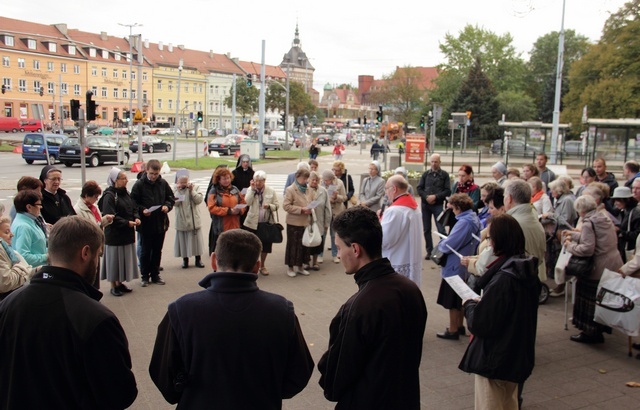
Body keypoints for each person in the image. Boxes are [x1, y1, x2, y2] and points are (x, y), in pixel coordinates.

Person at [149, 229, 314, 408]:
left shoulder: (182, 309)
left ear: (213, 260)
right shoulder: (281, 309)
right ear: (257, 267)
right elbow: (300, 371)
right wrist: (269, 390)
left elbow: (162, 373)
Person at [0, 216, 138, 409]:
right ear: (85, 253)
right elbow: (119, 393)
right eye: (98, 255)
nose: (97, 264)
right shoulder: (95, 318)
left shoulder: (8, 306)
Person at [318, 207, 427, 409]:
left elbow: (335, 377)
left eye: (339, 248)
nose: (339, 255)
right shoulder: (410, 289)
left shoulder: (358, 307)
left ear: (356, 249)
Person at [459, 214, 540, 410]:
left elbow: (480, 323)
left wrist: (469, 304)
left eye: (490, 238)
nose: (488, 244)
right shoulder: (524, 267)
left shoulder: (505, 278)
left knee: (491, 403)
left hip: (496, 358)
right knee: (508, 402)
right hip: (516, 352)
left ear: (498, 241)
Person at [563, 195, 623, 344]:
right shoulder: (602, 217)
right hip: (612, 262)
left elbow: (587, 248)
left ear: (580, 211)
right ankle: (600, 327)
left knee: (588, 298)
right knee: (601, 298)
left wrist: (569, 246)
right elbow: (592, 238)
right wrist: (574, 235)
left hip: (597, 266)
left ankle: (590, 332)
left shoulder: (589, 222)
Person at [435, 193, 481, 340]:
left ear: (459, 208)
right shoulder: (472, 217)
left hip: (455, 265)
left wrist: (441, 244)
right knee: (460, 297)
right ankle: (460, 326)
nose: (452, 212)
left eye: (453, 209)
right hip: (463, 264)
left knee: (453, 300)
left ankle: (453, 329)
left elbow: (451, 243)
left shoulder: (463, 222)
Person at [131, 159, 175, 287]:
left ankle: (155, 274)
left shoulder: (163, 183)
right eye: (151, 174)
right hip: (145, 224)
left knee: (157, 250)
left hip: (160, 222)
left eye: (156, 174)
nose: (154, 176)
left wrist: (167, 206)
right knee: (145, 251)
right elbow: (133, 202)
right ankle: (145, 276)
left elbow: (170, 198)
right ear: (146, 171)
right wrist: (142, 210)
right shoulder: (139, 185)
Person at [101, 168, 140, 296]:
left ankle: (120, 283)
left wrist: (136, 217)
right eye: (123, 178)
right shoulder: (109, 195)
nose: (126, 180)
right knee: (114, 260)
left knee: (123, 259)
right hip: (115, 234)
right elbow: (109, 215)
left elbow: (133, 207)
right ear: (115, 180)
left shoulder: (125, 193)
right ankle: (113, 285)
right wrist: (126, 223)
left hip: (126, 233)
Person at [380, 175, 423, 286]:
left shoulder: (394, 211)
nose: (386, 193)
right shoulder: (415, 208)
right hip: (410, 259)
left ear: (394, 189)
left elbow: (384, 240)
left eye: (386, 188)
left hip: (396, 260)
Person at [504, 179, 547, 282]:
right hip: (532, 279)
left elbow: (494, 259)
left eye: (504, 196)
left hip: (514, 281)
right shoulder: (534, 219)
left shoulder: (510, 223)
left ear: (509, 198)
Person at [75, 180, 114, 289]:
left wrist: (106, 219)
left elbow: (98, 223)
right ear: (87, 196)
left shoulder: (93, 206)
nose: (97, 199)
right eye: (95, 196)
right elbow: (85, 229)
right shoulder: (79, 210)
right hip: (88, 246)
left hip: (96, 245)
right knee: (89, 274)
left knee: (95, 273)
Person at [243, 170, 280, 276]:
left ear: (264, 180)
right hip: (252, 223)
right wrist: (252, 190)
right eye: (256, 181)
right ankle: (251, 266)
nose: (257, 183)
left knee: (265, 246)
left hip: (266, 222)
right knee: (251, 246)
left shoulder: (271, 191)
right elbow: (247, 202)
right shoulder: (251, 189)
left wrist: (269, 206)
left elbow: (277, 205)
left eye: (259, 181)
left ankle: (262, 265)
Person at [417, 153, 451, 259]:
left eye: (436, 162)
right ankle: (429, 251)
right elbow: (419, 188)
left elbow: (447, 191)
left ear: (440, 162)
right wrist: (427, 197)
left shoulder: (444, 175)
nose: (434, 164)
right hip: (426, 205)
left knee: (441, 229)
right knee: (426, 229)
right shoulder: (426, 174)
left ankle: (443, 251)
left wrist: (435, 197)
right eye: (432, 161)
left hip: (438, 205)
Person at [207, 166, 246, 255]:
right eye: (224, 179)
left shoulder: (235, 189)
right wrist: (229, 211)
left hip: (235, 224)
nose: (227, 181)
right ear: (219, 180)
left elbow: (243, 202)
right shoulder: (214, 191)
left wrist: (240, 210)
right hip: (221, 226)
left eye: (228, 178)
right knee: (224, 250)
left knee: (235, 249)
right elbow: (211, 207)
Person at [283, 168, 313, 277]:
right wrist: (301, 209)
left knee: (303, 245)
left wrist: (311, 208)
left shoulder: (308, 189)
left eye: (307, 178)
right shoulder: (291, 189)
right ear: (297, 177)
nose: (305, 181)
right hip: (293, 222)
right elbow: (286, 206)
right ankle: (290, 267)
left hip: (305, 221)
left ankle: (300, 266)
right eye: (304, 178)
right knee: (293, 245)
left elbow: (311, 201)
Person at [173, 170, 205, 269]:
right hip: (182, 219)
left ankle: (198, 259)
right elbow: (175, 203)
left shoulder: (195, 187)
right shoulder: (175, 189)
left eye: (185, 182)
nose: (183, 184)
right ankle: (185, 260)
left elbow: (199, 200)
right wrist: (178, 191)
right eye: (181, 182)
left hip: (194, 218)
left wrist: (192, 191)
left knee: (196, 241)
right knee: (183, 241)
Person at [11, 190, 48, 268]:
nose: (41, 207)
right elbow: (23, 256)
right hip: (33, 273)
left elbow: (39, 247)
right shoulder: (24, 227)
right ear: (29, 207)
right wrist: (46, 257)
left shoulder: (30, 221)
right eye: (39, 204)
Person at [0, 216, 33, 301]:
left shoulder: (13, 252)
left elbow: (28, 270)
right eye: (6, 232)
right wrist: (20, 269)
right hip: (9, 300)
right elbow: (6, 282)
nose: (12, 235)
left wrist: (36, 271)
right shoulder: (2, 250)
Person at [307, 170, 331, 269]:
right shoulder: (305, 189)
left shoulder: (323, 191)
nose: (314, 182)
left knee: (318, 241)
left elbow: (327, 208)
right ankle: (306, 261)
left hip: (319, 221)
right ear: (308, 180)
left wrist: (327, 223)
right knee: (307, 241)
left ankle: (315, 262)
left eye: (317, 180)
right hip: (307, 220)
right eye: (313, 180)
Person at [322, 169, 347, 264]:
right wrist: (328, 199)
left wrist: (337, 197)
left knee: (334, 235)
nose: (325, 182)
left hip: (336, 212)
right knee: (323, 234)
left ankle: (335, 254)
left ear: (332, 179)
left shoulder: (339, 183)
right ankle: (320, 254)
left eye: (327, 180)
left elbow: (344, 197)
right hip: (325, 212)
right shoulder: (321, 184)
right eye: (324, 180)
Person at [611, 186, 640, 263]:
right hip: (624, 248)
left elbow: (636, 235)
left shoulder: (636, 213)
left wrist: (620, 232)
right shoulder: (624, 211)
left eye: (618, 200)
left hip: (631, 250)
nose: (615, 203)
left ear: (626, 200)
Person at [232, 154, 254, 226]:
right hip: (238, 197)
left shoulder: (252, 173)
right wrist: (238, 193)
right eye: (244, 162)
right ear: (240, 162)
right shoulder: (235, 173)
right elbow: (231, 186)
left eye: (247, 162)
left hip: (248, 197)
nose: (245, 164)